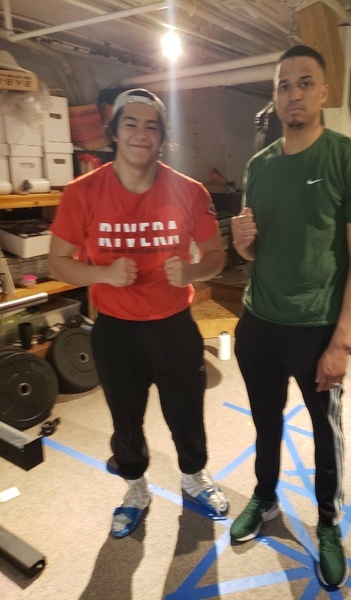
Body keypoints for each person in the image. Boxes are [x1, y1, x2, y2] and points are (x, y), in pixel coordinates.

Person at [230, 45, 351, 589]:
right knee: (265, 421)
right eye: (283, 85)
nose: (293, 94)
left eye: (304, 83)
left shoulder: (350, 159)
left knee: (324, 432)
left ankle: (328, 525)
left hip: (317, 328)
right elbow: (254, 251)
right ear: (275, 96)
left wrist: (342, 342)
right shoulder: (258, 166)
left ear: (324, 92)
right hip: (259, 322)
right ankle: (264, 496)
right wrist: (242, 243)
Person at [49, 88, 229, 539]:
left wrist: (191, 270)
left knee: (186, 413)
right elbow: (58, 263)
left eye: (152, 126)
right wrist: (104, 274)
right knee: (124, 419)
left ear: (163, 138)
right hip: (116, 331)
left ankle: (194, 476)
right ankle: (135, 487)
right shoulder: (81, 193)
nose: (141, 133)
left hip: (173, 327)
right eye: (130, 123)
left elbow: (216, 256)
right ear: (113, 132)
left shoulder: (190, 191)